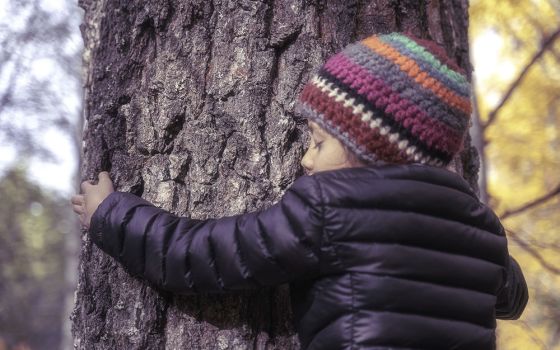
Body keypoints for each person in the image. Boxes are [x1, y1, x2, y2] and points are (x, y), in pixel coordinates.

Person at [71, 32, 528, 349]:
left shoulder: (331, 208)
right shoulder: (481, 228)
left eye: (318, 142)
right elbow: (513, 298)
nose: (306, 159)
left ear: (369, 147)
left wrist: (111, 213)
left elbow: (201, 254)